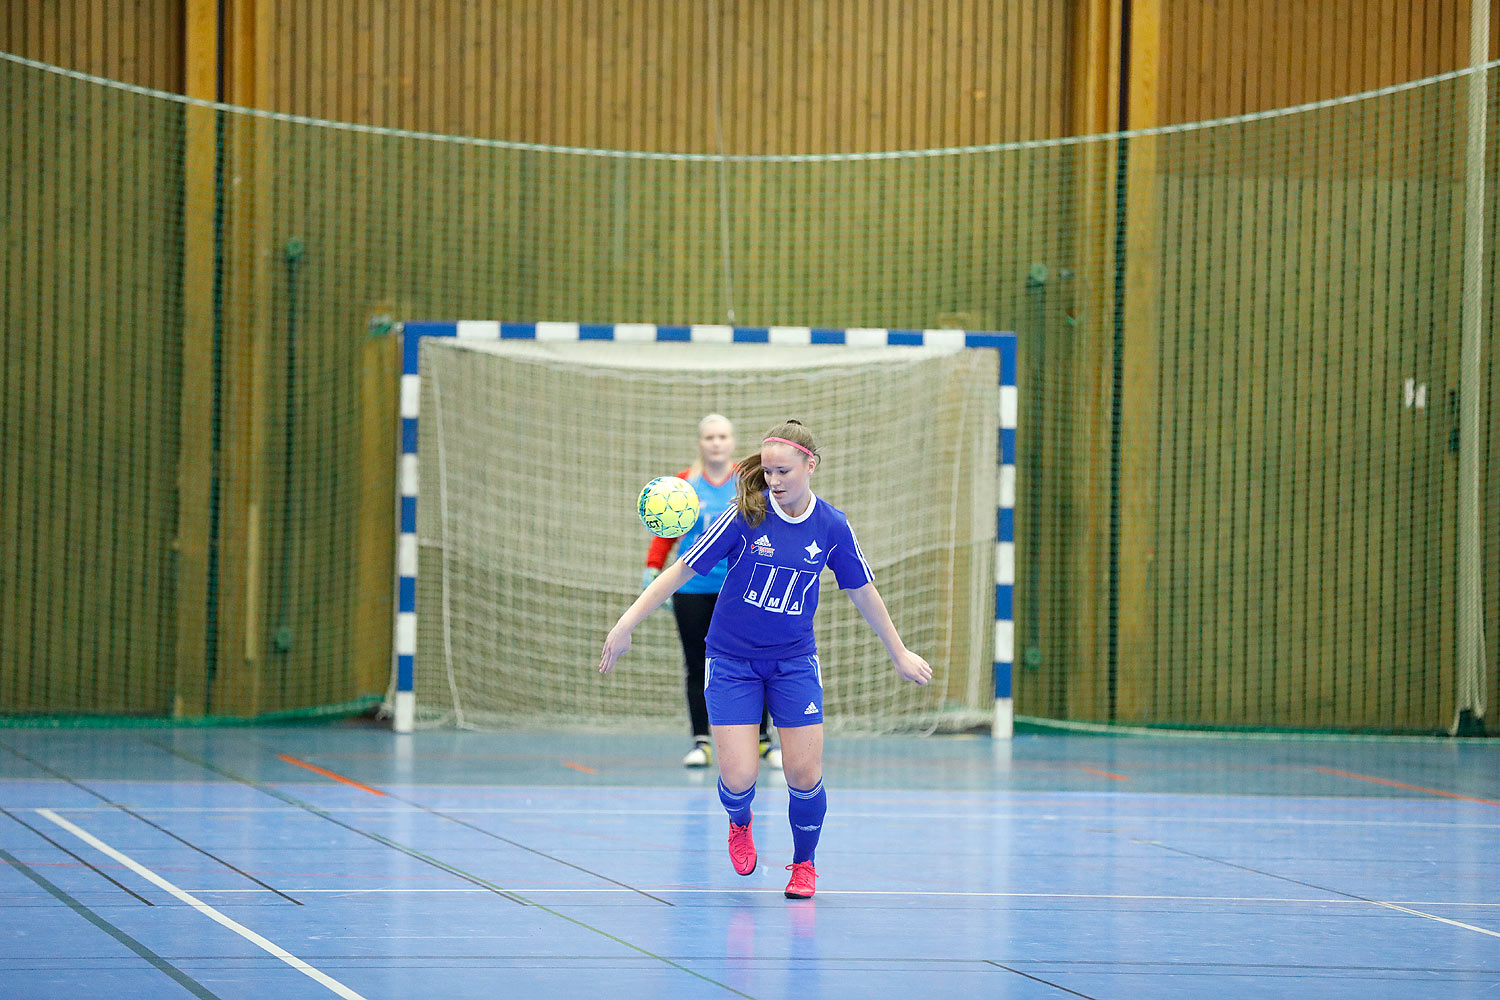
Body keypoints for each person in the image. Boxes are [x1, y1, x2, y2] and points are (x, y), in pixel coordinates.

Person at [601, 419, 931, 899]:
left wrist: (898, 652)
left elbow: (862, 590)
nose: (774, 482)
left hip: (793, 662)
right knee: (738, 779)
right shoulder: (743, 517)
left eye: (784, 472)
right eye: (769, 472)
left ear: (810, 465)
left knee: (804, 774)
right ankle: (740, 822)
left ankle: (803, 864)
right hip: (732, 661)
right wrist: (625, 624)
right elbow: (678, 571)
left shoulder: (832, 526)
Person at [643, 414, 779, 769]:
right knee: (698, 664)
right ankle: (701, 741)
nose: (716, 443)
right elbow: (666, 531)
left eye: (722, 436)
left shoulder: (747, 481)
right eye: (709, 437)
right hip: (693, 589)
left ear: (732, 442)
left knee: (753, 661)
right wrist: (652, 570)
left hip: (741, 589)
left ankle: (762, 738)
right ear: (700, 443)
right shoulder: (685, 485)